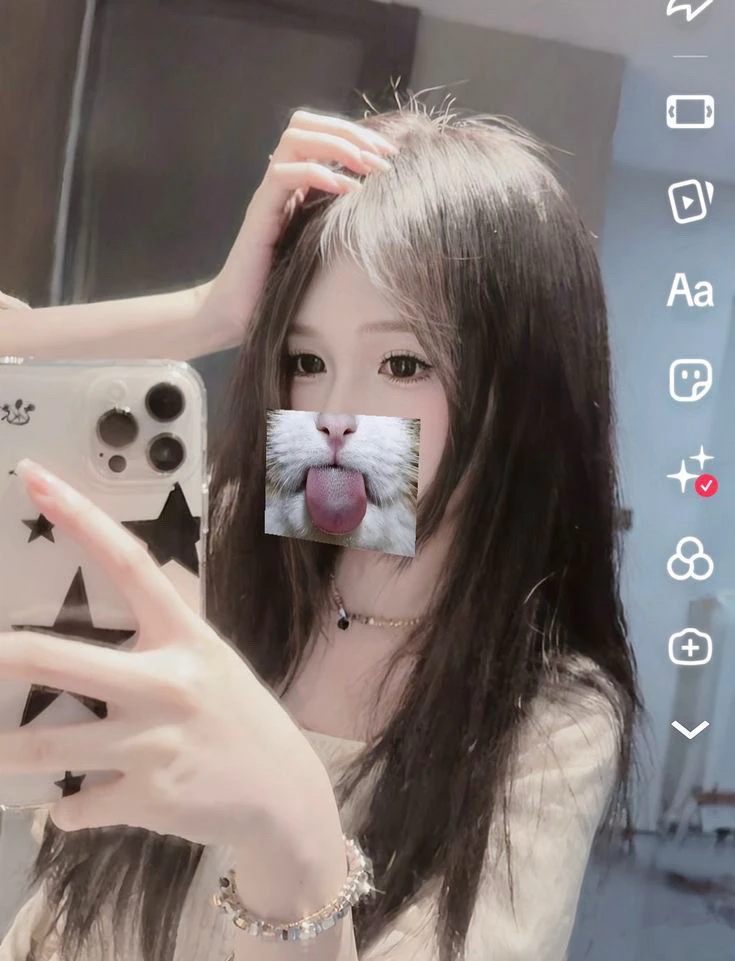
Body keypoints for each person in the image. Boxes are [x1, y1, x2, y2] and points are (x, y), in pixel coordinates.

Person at [0, 93, 642, 961]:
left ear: (521, 398)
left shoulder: (550, 711)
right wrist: (208, 313)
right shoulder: (211, 542)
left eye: (402, 362)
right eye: (305, 358)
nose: (334, 414)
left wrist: (294, 829)